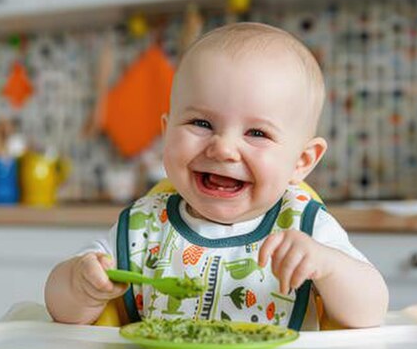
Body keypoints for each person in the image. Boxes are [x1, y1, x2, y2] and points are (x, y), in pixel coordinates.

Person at [45, 22, 388, 330]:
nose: (223, 148)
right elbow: (62, 309)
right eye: (201, 123)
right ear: (167, 133)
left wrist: (328, 267)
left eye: (257, 133)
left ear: (301, 161)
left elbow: (371, 312)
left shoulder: (305, 228)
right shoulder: (143, 226)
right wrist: (80, 285)